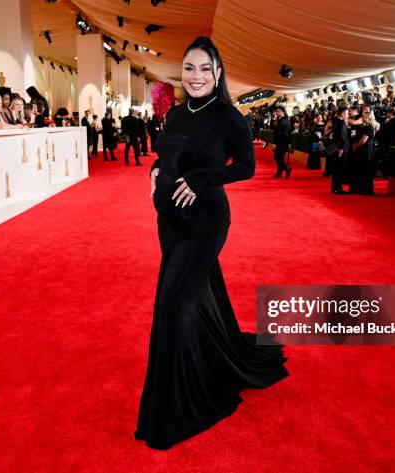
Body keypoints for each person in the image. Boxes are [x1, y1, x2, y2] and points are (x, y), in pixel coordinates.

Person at [135, 35, 288, 451]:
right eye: (189, 68)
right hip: (169, 222)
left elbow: (246, 167)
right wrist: (154, 170)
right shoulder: (177, 114)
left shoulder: (229, 118)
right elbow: (169, 157)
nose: (196, 75)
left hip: (205, 223)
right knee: (195, 299)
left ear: (217, 73)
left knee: (171, 305)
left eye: (205, 68)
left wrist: (203, 178)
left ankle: (183, 405)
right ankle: (216, 358)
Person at [350, 111, 375, 195]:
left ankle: (366, 189)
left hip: (366, 151)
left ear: (367, 118)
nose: (361, 118)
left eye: (363, 117)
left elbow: (363, 140)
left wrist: (356, 146)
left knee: (365, 169)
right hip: (363, 150)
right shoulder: (365, 126)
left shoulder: (368, 127)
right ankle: (360, 188)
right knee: (361, 169)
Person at [331, 105, 349, 194]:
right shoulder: (341, 122)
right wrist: (341, 148)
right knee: (339, 169)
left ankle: (334, 188)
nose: (348, 115)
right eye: (346, 114)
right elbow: (342, 136)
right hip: (340, 148)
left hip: (336, 147)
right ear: (342, 114)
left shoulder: (335, 121)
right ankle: (338, 189)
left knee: (335, 169)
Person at [272, 106, 292, 178]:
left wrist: (275, 143)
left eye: (278, 111)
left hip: (281, 142)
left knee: (277, 157)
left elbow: (278, 134)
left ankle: (286, 169)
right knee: (280, 158)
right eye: (276, 111)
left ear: (283, 112)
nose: (277, 113)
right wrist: (289, 143)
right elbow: (290, 133)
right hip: (284, 142)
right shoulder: (286, 121)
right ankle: (279, 173)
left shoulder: (282, 122)